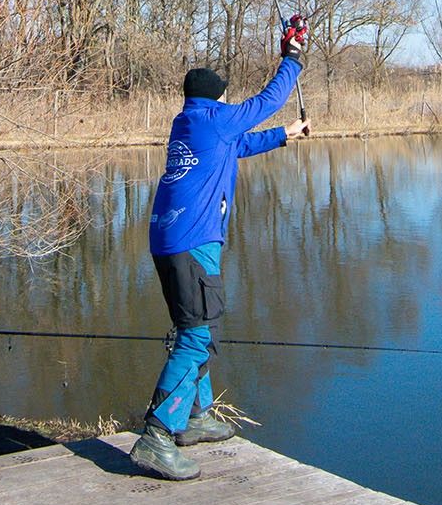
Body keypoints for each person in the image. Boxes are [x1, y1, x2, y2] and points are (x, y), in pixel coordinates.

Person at [130, 23, 310, 481]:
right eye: (226, 98)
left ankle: (197, 416)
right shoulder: (214, 119)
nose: (231, 104)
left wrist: (284, 135)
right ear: (215, 99)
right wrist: (292, 58)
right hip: (194, 242)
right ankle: (157, 435)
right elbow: (266, 102)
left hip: (168, 240)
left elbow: (242, 142)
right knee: (193, 334)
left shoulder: (190, 123)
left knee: (196, 327)